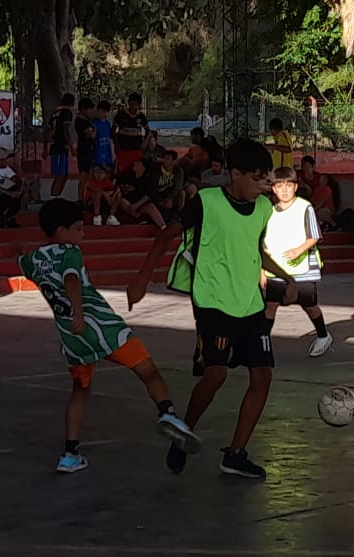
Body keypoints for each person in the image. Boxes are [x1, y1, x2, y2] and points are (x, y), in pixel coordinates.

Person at [127, 138, 298, 480]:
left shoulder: (263, 209)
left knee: (262, 376)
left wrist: (284, 276)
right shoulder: (205, 202)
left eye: (267, 179)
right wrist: (142, 280)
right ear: (235, 175)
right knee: (216, 374)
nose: (263, 186)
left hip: (250, 303)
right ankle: (183, 431)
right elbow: (166, 235)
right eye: (257, 178)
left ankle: (235, 454)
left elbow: (255, 248)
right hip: (213, 302)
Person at [19, 198, 202, 474]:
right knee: (148, 369)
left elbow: (22, 259)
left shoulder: (32, 261)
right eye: (79, 228)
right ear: (62, 231)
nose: (83, 234)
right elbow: (71, 279)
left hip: (72, 338)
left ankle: (70, 454)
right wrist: (79, 313)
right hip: (102, 326)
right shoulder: (71, 252)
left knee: (80, 391)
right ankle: (168, 414)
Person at [262, 166, 332, 357]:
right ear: (273, 188)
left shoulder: (304, 207)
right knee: (271, 305)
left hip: (303, 269)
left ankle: (323, 335)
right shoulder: (268, 211)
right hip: (276, 269)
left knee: (309, 305)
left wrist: (298, 250)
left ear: (295, 186)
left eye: (288, 185)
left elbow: (315, 235)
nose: (284, 189)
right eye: (279, 185)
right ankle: (263, 343)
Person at [46, 93, 77, 202]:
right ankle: (53, 198)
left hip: (57, 145)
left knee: (64, 174)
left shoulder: (54, 113)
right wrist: (71, 146)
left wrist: (46, 147)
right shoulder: (66, 113)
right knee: (60, 175)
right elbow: (66, 129)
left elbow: (48, 131)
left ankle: (57, 196)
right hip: (60, 145)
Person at [113, 93, 149, 176]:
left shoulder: (141, 116)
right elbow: (113, 131)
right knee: (121, 171)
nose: (133, 106)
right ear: (128, 103)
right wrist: (116, 144)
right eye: (131, 104)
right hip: (123, 149)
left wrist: (144, 144)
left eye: (135, 104)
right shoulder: (121, 115)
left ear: (139, 105)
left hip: (136, 149)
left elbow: (148, 131)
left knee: (135, 171)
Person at [74, 98, 98, 201]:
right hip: (84, 151)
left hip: (90, 150)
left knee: (90, 176)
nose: (91, 112)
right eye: (90, 110)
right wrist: (95, 130)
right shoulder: (80, 121)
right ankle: (80, 199)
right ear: (83, 110)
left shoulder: (88, 121)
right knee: (84, 176)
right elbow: (91, 135)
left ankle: (87, 197)